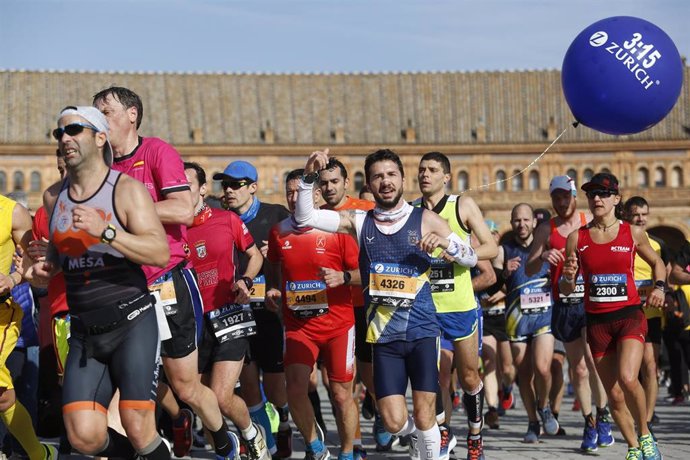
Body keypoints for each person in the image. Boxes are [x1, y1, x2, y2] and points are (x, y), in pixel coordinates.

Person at [293, 148, 480, 460]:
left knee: (424, 414)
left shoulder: (427, 219)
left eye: (392, 174)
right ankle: (425, 441)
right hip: (383, 337)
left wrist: (447, 243)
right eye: (378, 176)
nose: (386, 181)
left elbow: (471, 256)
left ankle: (436, 450)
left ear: (403, 179)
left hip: (422, 332)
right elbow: (305, 217)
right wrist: (308, 178)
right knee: (394, 422)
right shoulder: (359, 220)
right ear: (368, 182)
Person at [93, 87, 237, 459]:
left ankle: (223, 437)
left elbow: (182, 211)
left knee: (186, 387)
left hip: (167, 280)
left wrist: (127, 212)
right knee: (124, 393)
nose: (98, 120)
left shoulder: (157, 151)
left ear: (131, 115)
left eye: (105, 111)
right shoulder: (101, 165)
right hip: (125, 289)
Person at [26, 105, 170, 459]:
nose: (65, 138)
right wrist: (45, 267)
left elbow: (158, 252)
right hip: (85, 332)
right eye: (59, 133)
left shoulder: (126, 190)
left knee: (136, 423)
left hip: (131, 322)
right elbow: (63, 256)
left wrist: (105, 232)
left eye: (74, 129)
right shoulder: (53, 197)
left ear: (100, 137)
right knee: (82, 436)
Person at [560, 173, 665, 460]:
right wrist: (568, 279)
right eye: (592, 193)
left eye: (603, 194)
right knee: (614, 394)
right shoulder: (576, 238)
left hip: (629, 315)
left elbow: (657, 263)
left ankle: (645, 435)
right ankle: (632, 446)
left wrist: (660, 287)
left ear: (616, 199)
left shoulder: (631, 232)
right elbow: (567, 287)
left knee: (628, 377)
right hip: (597, 323)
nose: (596, 198)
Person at [265, 168, 360, 460]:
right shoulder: (278, 232)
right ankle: (316, 447)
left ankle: (346, 451)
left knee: (341, 395)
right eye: (289, 193)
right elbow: (274, 266)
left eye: (300, 192)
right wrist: (272, 289)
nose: (294, 198)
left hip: (338, 326)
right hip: (298, 326)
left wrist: (343, 277)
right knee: (294, 388)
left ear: (316, 195)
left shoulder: (339, 230)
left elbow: (364, 273)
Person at [414, 152, 498, 460]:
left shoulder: (461, 205)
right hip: (426, 308)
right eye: (422, 169)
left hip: (460, 306)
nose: (425, 174)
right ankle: (443, 431)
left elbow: (492, 247)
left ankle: (475, 433)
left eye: (432, 170)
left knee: (469, 377)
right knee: (437, 375)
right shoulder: (411, 211)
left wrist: (459, 250)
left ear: (446, 177)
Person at [184, 162, 270, 459]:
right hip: (193, 323)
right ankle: (226, 449)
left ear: (203, 189)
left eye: (188, 185)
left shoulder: (226, 220)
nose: (182, 192)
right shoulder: (172, 231)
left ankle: (251, 433)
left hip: (229, 314)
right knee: (199, 397)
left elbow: (254, 255)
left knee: (221, 395)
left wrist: (245, 280)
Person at [525, 175, 613, 452]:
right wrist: (543, 257)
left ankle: (603, 414)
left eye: (566, 196)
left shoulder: (590, 221)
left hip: (592, 299)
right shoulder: (545, 228)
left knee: (591, 361)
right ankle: (590, 420)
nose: (562, 202)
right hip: (565, 303)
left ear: (575, 197)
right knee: (577, 367)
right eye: (557, 197)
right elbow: (528, 267)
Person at [214, 161, 291, 458]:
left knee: (275, 388)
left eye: (236, 184)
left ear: (253, 187)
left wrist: (276, 265)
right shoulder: (219, 219)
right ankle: (264, 443)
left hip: (268, 311)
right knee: (247, 381)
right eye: (226, 185)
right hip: (234, 313)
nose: (229, 190)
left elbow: (297, 259)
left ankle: (283, 418)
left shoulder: (276, 216)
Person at [318, 158, 375, 457]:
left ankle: (377, 410)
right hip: (333, 311)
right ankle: (354, 445)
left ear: (345, 182)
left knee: (370, 379)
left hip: (365, 306)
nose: (329, 188)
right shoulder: (314, 217)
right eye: (324, 183)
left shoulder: (365, 211)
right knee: (341, 386)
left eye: (334, 182)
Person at [0, 189, 54, 460]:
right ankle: (39, 454)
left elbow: (34, 266)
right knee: (4, 399)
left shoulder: (13, 212)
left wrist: (12, 279)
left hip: (0, 318)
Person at [499, 203, 559, 443]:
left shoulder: (547, 246)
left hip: (545, 316)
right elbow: (494, 286)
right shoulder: (505, 250)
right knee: (524, 374)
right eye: (516, 221)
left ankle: (544, 406)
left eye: (526, 220)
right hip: (517, 318)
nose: (521, 225)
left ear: (535, 222)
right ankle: (533, 421)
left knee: (543, 368)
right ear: (511, 223)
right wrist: (504, 273)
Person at [624, 196, 670, 433]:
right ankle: (633, 414)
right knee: (629, 371)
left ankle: (647, 420)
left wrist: (663, 291)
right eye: (635, 214)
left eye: (644, 214)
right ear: (626, 216)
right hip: (624, 313)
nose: (640, 219)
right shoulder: (620, 242)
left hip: (649, 313)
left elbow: (667, 274)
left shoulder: (659, 244)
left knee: (650, 366)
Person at [480, 220, 515, 429]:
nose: (491, 237)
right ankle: (492, 408)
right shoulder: (477, 259)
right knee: (489, 362)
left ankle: (508, 388)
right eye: (486, 233)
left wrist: (503, 291)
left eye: (493, 233)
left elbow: (520, 284)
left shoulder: (507, 257)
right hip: (486, 317)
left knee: (509, 367)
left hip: (505, 316)